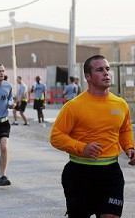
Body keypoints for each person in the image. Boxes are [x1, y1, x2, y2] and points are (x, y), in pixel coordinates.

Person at [50, 55, 135, 218]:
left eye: (108, 69)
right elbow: (56, 136)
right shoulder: (74, 106)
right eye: (100, 70)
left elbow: (124, 130)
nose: (106, 73)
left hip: (111, 173)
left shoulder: (120, 104)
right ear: (87, 76)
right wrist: (82, 148)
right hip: (79, 174)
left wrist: (129, 147)